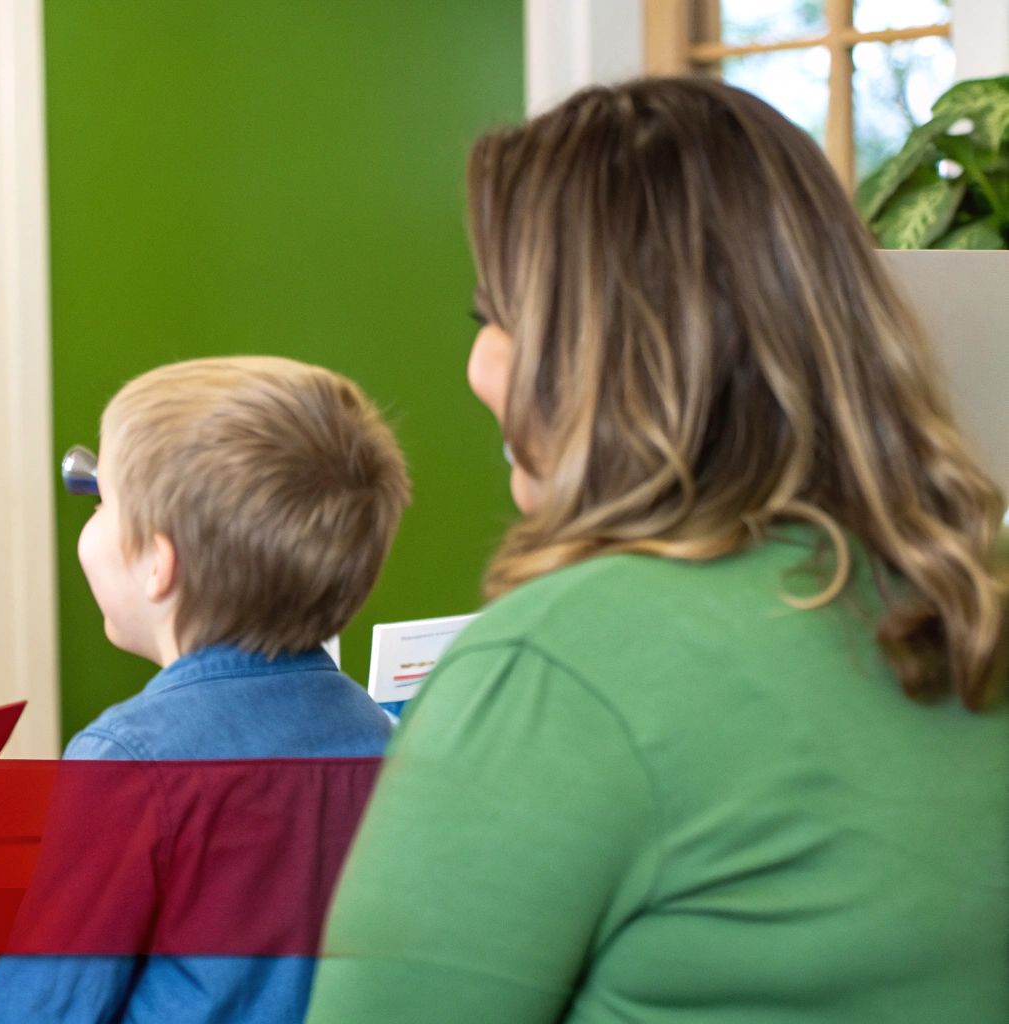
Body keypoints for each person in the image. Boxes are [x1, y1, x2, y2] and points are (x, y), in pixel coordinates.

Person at [309, 78, 1009, 1022]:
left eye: (495, 319)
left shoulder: (558, 662)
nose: (481, 364)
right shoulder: (970, 600)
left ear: (601, 350)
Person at [0, 356, 408, 1023]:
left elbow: (39, 1011)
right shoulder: (385, 741)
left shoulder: (131, 762)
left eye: (100, 499)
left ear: (156, 564)